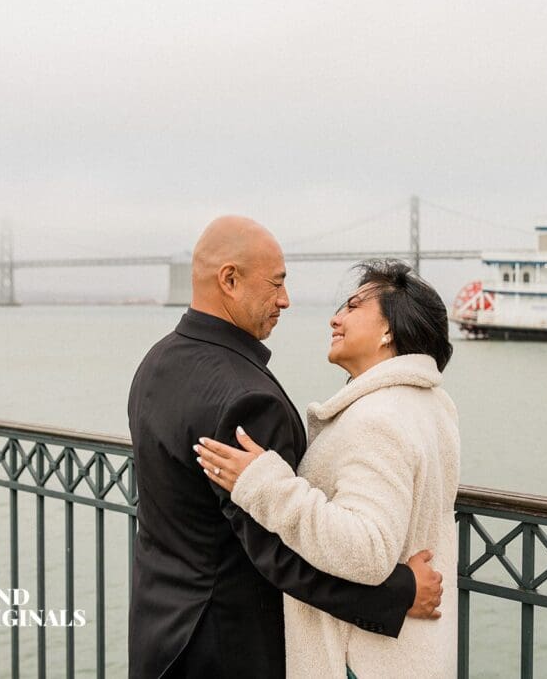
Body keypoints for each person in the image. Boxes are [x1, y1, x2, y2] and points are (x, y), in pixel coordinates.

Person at [127, 218, 444, 678]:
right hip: (226, 649)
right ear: (229, 280)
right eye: (276, 284)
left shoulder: (156, 362)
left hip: (159, 631)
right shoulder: (246, 399)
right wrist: (398, 592)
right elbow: (278, 552)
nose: (285, 300)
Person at [196, 258, 460, 678]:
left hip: (359, 660)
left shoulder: (380, 418)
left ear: (389, 330)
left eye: (353, 307)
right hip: (406, 653)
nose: (335, 319)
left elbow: (367, 549)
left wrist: (263, 484)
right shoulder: (428, 405)